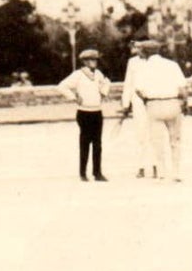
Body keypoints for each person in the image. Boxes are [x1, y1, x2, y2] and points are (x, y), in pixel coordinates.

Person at [132, 38, 189, 182]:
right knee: (175, 140)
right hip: (172, 103)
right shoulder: (172, 65)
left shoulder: (143, 68)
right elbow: (182, 88)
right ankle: (176, 172)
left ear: (145, 52)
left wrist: (146, 100)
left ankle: (162, 172)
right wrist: (184, 104)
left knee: (157, 141)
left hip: (154, 104)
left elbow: (138, 90)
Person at [58, 48, 110, 181]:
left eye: (95, 60)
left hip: (97, 111)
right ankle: (83, 173)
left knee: (97, 144)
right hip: (84, 112)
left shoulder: (98, 74)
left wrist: (104, 91)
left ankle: (97, 172)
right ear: (85, 61)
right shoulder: (78, 74)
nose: (94, 62)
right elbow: (62, 86)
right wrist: (74, 97)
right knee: (85, 142)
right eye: (91, 60)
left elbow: (105, 84)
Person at [120, 39, 155, 178]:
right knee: (141, 135)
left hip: (153, 100)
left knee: (154, 134)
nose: (138, 50)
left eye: (141, 47)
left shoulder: (154, 62)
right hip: (138, 102)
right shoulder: (132, 62)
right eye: (136, 47)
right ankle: (141, 167)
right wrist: (125, 104)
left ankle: (156, 166)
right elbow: (128, 83)